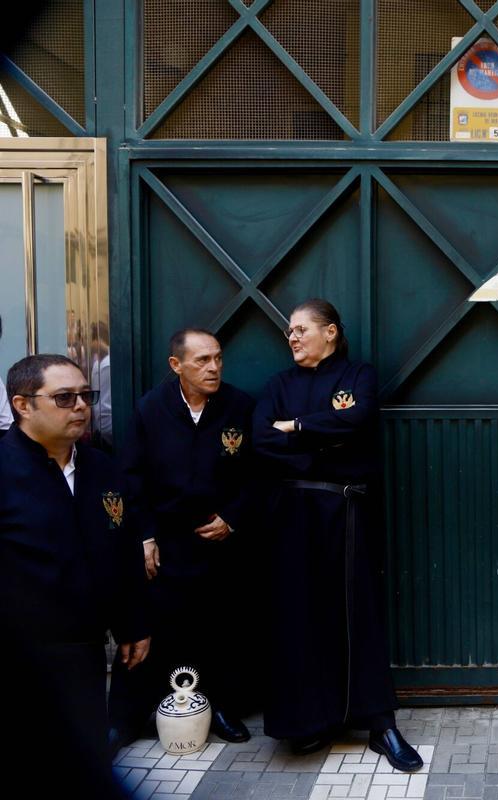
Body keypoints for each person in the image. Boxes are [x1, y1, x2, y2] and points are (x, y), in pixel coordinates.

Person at [252, 298, 421, 772]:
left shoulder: (357, 376)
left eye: (302, 328)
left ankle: (380, 724)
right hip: (291, 514)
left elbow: (357, 419)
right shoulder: (278, 384)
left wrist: (299, 427)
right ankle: (312, 722)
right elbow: (262, 440)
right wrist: (319, 448)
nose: (293, 337)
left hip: (344, 509)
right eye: (289, 331)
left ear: (330, 332)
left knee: (356, 612)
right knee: (299, 617)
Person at [0, 354, 150, 793]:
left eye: (87, 395)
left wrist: (134, 623)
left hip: (85, 654)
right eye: (65, 398)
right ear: (22, 405)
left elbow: (123, 551)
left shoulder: (101, 467)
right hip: (19, 659)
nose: (81, 406)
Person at [107, 329, 256, 748]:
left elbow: (256, 475)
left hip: (219, 537)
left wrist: (233, 517)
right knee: (152, 626)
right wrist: (144, 536)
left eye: (217, 359)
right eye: (202, 361)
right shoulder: (150, 409)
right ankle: (127, 717)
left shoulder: (239, 406)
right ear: (177, 366)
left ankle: (222, 709)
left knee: (222, 627)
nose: (213, 368)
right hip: (167, 540)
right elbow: (131, 477)